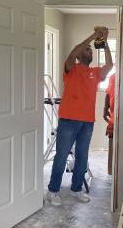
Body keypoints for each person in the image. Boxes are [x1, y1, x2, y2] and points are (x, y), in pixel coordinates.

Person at [46, 27, 113, 206]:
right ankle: (53, 191)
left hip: (87, 122)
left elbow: (110, 66)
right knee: (61, 156)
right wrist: (93, 36)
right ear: (78, 55)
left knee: (82, 157)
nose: (89, 50)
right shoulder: (70, 68)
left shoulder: (96, 73)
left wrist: (104, 42)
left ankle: (76, 189)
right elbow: (74, 50)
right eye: (86, 48)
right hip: (68, 121)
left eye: (91, 49)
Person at [103, 72, 115, 175]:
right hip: (113, 118)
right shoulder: (112, 77)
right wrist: (105, 108)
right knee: (111, 144)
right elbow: (107, 93)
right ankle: (110, 171)